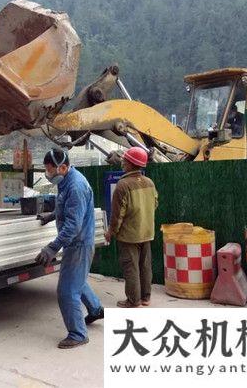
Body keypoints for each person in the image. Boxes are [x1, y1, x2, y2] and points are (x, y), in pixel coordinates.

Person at [35, 149, 104, 349]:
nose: (49, 175)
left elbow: (73, 226)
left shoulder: (76, 186)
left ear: (63, 167)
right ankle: (96, 309)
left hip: (78, 244)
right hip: (77, 242)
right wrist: (51, 216)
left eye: (50, 171)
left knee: (66, 290)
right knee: (77, 281)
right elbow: (66, 207)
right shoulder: (66, 181)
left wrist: (51, 248)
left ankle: (78, 334)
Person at [104, 147, 158, 308]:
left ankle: (134, 300)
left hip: (129, 235)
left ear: (130, 163)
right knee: (145, 266)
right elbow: (155, 204)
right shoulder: (149, 182)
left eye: (124, 160)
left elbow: (117, 214)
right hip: (147, 232)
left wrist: (110, 232)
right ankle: (146, 297)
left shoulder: (123, 185)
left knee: (131, 267)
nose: (122, 162)